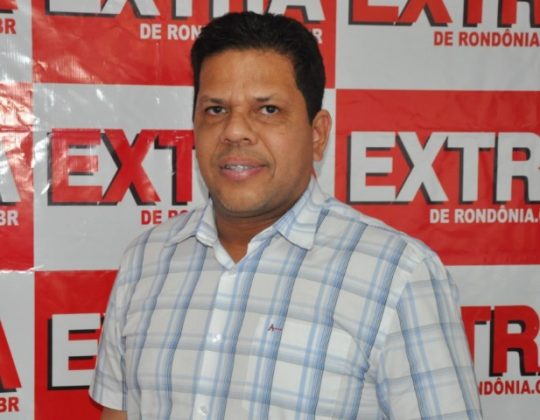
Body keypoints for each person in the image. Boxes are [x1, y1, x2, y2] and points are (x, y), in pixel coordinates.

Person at [90, 11, 482, 420]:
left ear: (317, 134)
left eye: (268, 110)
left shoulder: (398, 276)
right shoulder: (146, 261)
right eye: (216, 110)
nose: (234, 131)